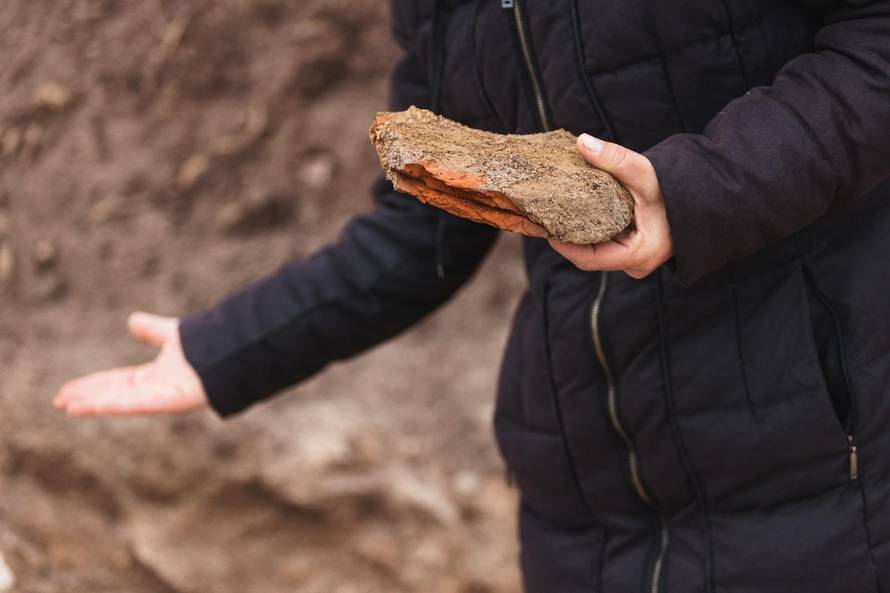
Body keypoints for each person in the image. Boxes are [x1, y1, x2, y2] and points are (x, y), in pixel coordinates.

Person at [54, 0, 890, 591]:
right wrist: (224, 348)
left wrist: (696, 190)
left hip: (819, 480)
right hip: (584, 516)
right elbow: (423, 227)